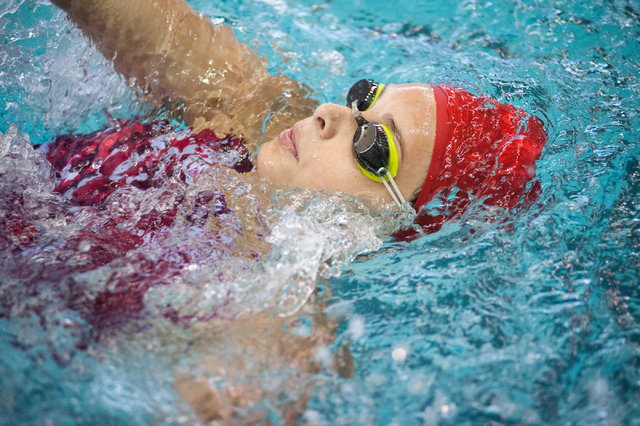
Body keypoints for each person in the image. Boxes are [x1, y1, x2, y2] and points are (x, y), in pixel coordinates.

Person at [49, 0, 547, 240]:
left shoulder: (275, 324)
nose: (328, 113)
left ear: (400, 224)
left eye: (374, 144)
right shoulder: (248, 113)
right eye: (362, 98)